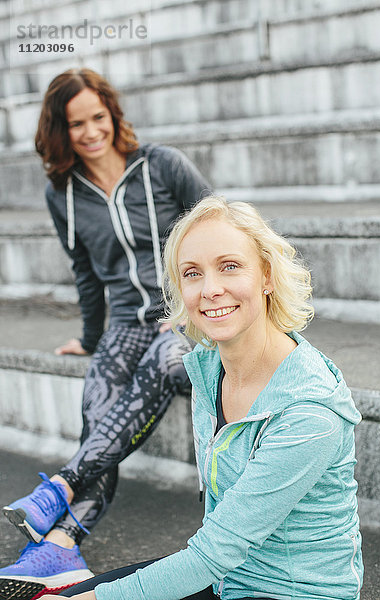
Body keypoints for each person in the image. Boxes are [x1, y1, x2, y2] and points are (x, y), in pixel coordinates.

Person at [41, 196, 364, 600]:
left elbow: (212, 554)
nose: (210, 290)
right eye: (192, 273)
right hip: (228, 577)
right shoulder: (209, 368)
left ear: (266, 275)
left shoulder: (310, 410)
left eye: (229, 266)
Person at [0, 68, 211, 599]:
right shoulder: (64, 194)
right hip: (123, 325)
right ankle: (63, 547)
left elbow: (219, 228)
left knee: (166, 362)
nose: (91, 130)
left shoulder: (161, 165)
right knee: (100, 409)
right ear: (60, 130)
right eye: (77, 123)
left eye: (98, 117)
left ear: (113, 114)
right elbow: (86, 274)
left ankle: (59, 500)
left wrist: (194, 306)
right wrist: (91, 337)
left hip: (182, 317)